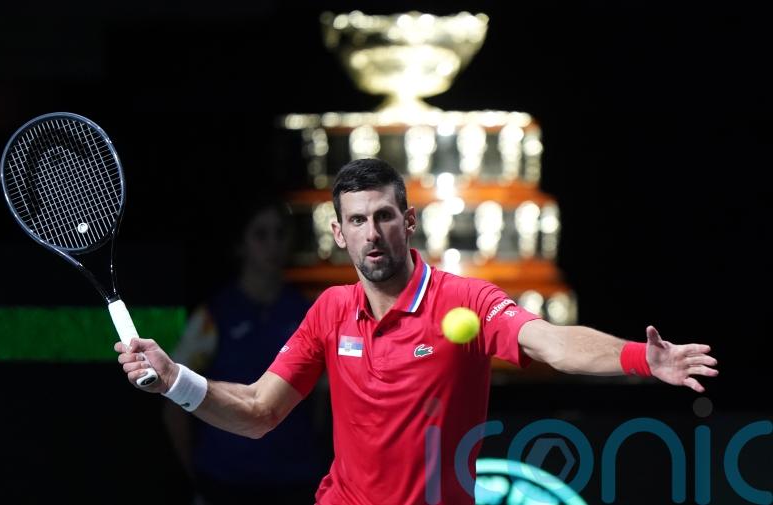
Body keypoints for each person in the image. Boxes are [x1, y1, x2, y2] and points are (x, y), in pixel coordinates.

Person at [117, 158, 718, 505]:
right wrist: (174, 380)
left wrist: (642, 358)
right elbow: (256, 410)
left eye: (384, 216)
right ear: (339, 232)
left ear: (407, 221)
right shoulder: (329, 310)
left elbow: (552, 344)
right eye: (358, 220)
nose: (372, 233)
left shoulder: (465, 301)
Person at [163, 199, 327, 504]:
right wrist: (195, 480)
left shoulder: (309, 312)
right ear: (241, 245)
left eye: (280, 233)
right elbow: (174, 404)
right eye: (261, 235)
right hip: (226, 482)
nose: (273, 244)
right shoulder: (213, 316)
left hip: (296, 481)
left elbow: (321, 402)